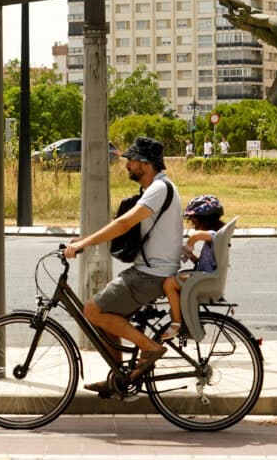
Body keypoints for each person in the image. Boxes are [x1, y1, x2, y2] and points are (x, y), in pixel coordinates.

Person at [64, 136, 183, 394]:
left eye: (132, 161)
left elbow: (124, 224)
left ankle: (150, 348)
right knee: (105, 316)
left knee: (93, 310)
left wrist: (85, 244)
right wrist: (86, 239)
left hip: (150, 274)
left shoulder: (159, 190)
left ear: (146, 165)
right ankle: (118, 378)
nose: (127, 166)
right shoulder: (159, 188)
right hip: (150, 270)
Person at [160, 195, 226, 340]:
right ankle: (186, 322)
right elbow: (206, 263)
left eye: (194, 220)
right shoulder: (216, 235)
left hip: (204, 281)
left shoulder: (214, 235)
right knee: (174, 280)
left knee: (169, 283)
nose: (192, 223)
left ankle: (176, 324)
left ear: (205, 218)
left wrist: (189, 245)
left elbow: (196, 236)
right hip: (205, 278)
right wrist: (190, 256)